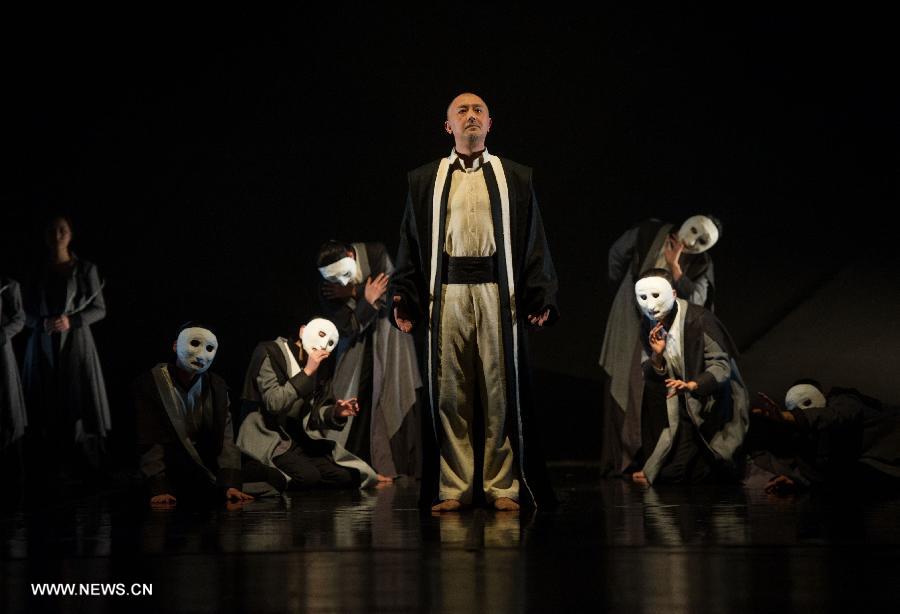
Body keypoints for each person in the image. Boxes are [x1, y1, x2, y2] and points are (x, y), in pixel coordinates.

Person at [391, 92, 559, 511]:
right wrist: (404, 297)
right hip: (445, 293)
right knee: (451, 393)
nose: (471, 116)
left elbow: (533, 242)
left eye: (478, 110)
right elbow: (411, 243)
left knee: (500, 392)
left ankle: (502, 486)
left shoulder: (515, 177)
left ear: (489, 124)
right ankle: (454, 487)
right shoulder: (425, 179)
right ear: (448, 126)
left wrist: (541, 295)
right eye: (461, 111)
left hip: (497, 294)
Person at [599, 215, 722, 475]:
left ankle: (653, 459)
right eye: (695, 231)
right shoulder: (650, 232)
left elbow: (700, 299)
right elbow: (616, 255)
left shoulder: (701, 262)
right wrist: (623, 291)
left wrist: (675, 268)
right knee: (625, 382)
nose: (694, 241)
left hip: (666, 328)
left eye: (703, 241)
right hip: (630, 318)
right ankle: (622, 459)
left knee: (653, 385)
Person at [629, 269, 748, 485]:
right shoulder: (648, 324)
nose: (649, 304)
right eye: (643, 297)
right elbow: (648, 370)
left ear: (673, 294)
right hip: (679, 399)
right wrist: (657, 355)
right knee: (675, 472)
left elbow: (721, 366)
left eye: (656, 296)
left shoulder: (700, 320)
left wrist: (694, 384)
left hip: (712, 399)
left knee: (701, 469)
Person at [316, 239, 422, 479]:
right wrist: (367, 296)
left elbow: (390, 294)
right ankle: (349, 463)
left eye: (344, 275)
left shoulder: (375, 254)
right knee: (353, 397)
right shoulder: (328, 287)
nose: (341, 283)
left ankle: (397, 465)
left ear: (352, 256)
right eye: (335, 281)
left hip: (388, 339)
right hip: (356, 347)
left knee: (394, 396)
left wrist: (353, 292)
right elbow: (348, 327)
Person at [236, 318, 380, 490]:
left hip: (298, 437)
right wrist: (307, 371)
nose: (323, 344)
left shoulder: (321, 366)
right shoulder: (270, 351)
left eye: (330, 342)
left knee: (345, 476)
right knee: (309, 477)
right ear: (303, 331)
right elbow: (273, 403)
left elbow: (315, 413)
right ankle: (264, 475)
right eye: (320, 334)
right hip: (270, 435)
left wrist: (336, 412)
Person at [22, 215, 111, 476]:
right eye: (52, 229)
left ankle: (84, 468)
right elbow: (23, 311)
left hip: (77, 343)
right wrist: (40, 324)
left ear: (70, 234)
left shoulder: (85, 269)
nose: (57, 234)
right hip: (42, 344)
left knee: (78, 399)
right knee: (44, 400)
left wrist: (71, 320)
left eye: (62, 229)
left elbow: (100, 309)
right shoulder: (36, 271)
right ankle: (48, 468)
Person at [134, 322, 253, 507]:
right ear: (175, 346)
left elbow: (227, 437)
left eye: (209, 348)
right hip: (170, 466)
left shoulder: (216, 386)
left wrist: (230, 483)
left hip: (206, 463)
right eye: (195, 344)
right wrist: (159, 487)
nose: (201, 355)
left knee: (272, 478)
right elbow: (150, 439)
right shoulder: (152, 383)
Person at [749, 380, 900, 494]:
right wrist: (796, 480)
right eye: (796, 409)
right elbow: (817, 466)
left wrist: (790, 417)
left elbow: (835, 417)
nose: (805, 410)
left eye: (807, 403)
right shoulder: (816, 431)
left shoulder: (846, 402)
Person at [0, 277, 27, 488]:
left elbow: (19, 318)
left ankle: (13, 474)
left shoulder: (9, 285)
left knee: (9, 409)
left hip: (2, 355)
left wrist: (1, 334)